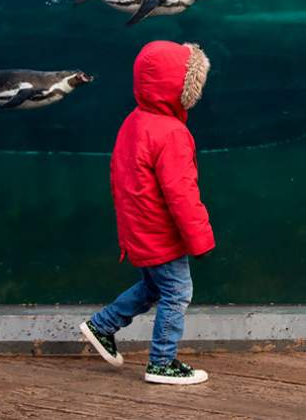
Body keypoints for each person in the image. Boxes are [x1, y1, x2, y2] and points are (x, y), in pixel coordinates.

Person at [80, 40, 215, 385]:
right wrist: (200, 239)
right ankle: (161, 362)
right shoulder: (172, 133)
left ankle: (102, 325)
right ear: (181, 87)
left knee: (154, 287)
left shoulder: (135, 121)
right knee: (178, 292)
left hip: (138, 226)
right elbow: (182, 194)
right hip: (161, 232)